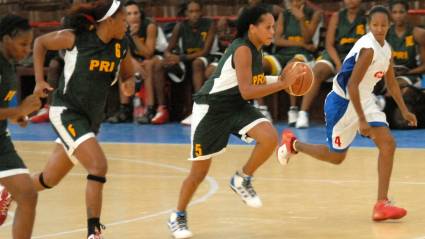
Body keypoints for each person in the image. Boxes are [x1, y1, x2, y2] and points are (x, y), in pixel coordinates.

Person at [0, 1, 135, 238]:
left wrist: (128, 82)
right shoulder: (77, 38)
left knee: (49, 179)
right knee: (98, 165)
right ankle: (94, 232)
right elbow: (41, 43)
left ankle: (7, 193)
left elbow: (126, 72)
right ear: (110, 21)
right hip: (67, 112)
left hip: (91, 120)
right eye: (124, 19)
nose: (128, 24)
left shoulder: (120, 45)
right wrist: (39, 80)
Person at [167, 6, 305, 239]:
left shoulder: (256, 49)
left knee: (269, 137)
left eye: (274, 27)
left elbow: (254, 82)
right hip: (212, 109)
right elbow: (248, 90)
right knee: (199, 173)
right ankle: (177, 216)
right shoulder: (242, 49)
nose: (273, 31)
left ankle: (242, 178)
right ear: (252, 28)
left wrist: (285, 80)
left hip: (235, 106)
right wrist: (283, 84)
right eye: (268, 27)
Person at [278, 6, 417, 221]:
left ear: (388, 25)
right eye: (375, 25)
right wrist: (362, 120)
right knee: (336, 158)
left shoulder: (386, 48)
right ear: (369, 25)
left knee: (388, 143)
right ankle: (293, 145)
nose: (380, 28)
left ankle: (381, 204)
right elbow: (352, 85)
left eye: (383, 25)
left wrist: (405, 110)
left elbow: (391, 82)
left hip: (364, 99)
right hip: (342, 102)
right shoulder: (368, 49)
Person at [0, 15, 40, 239]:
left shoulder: (8, 65)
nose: (27, 50)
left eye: (29, 44)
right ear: (6, 39)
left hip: (1, 140)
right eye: (23, 44)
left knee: (27, 194)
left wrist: (18, 117)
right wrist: (18, 110)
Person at [296, 0, 366, 128]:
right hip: (335, 54)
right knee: (317, 71)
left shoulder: (367, 17)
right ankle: (303, 113)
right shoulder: (337, 16)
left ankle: (354, 115)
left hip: (355, 57)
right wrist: (339, 64)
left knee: (354, 76)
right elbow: (329, 44)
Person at [153, 0, 216, 125]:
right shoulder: (180, 26)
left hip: (207, 58)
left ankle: (199, 109)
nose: (194, 14)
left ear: (201, 11)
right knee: (159, 65)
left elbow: (205, 51)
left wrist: (180, 58)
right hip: (186, 59)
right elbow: (167, 50)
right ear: (186, 13)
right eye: (191, 11)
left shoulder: (209, 24)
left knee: (197, 63)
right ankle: (162, 108)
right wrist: (170, 57)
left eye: (197, 11)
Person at [262, 0, 322, 126]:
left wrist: (301, 19)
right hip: (283, 53)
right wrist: (301, 43)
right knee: (258, 64)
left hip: (304, 55)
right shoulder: (285, 14)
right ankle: (262, 109)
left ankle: (293, 109)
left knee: (292, 65)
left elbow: (308, 38)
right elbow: (277, 40)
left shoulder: (315, 14)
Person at [107, 0, 159, 124]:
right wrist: (131, 61)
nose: (133, 16)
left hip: (155, 58)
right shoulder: (121, 27)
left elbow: (149, 53)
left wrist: (134, 36)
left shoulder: (149, 26)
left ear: (140, 14)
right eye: (129, 14)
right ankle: (125, 110)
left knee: (147, 65)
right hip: (134, 59)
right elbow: (123, 51)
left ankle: (150, 109)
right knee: (122, 66)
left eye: (136, 13)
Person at [386, 0, 425, 88]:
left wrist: (408, 72)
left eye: (401, 12)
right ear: (391, 14)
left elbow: (424, 66)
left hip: (413, 75)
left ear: (407, 13)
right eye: (394, 12)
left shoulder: (418, 33)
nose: (398, 16)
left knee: (394, 87)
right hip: (391, 74)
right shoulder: (386, 33)